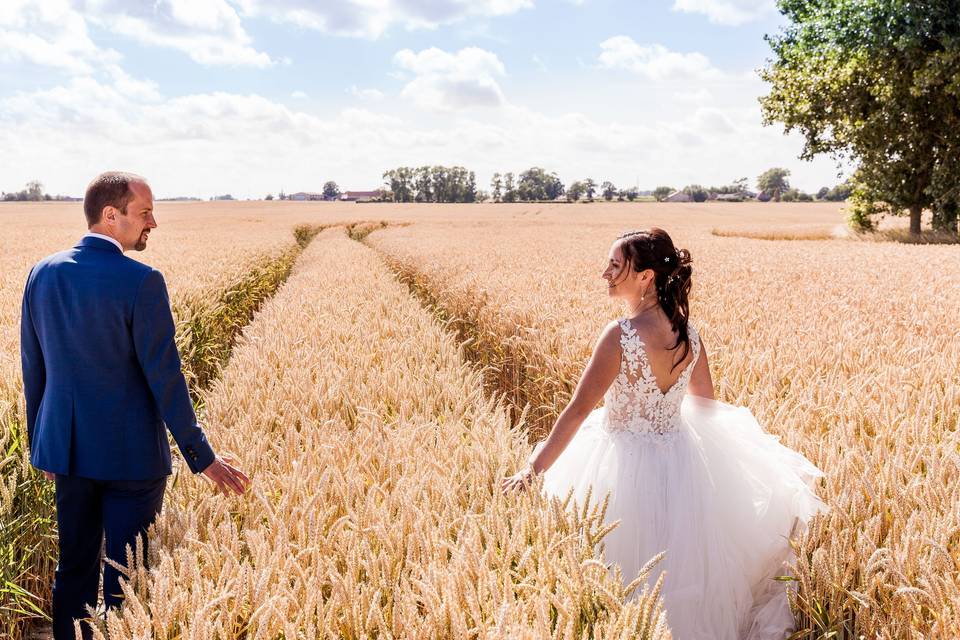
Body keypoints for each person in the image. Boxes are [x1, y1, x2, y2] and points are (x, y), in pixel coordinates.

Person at [501, 228, 826, 639]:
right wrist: (664, 423)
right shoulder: (689, 334)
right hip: (680, 463)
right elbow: (705, 404)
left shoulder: (621, 335)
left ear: (646, 276)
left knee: (617, 576)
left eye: (616, 265)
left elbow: (579, 410)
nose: (605, 273)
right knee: (680, 576)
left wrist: (534, 469)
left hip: (616, 467)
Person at [20, 171, 250, 639]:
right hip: (131, 460)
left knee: (74, 568)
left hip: (66, 453)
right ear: (111, 215)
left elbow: (33, 368)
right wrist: (201, 458)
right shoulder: (142, 281)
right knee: (127, 579)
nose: (153, 223)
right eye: (144, 213)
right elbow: (166, 378)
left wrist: (39, 447)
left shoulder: (42, 273)